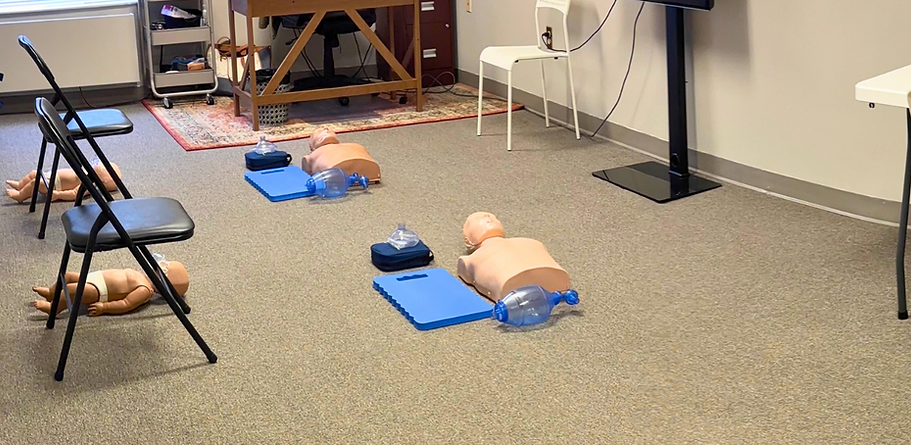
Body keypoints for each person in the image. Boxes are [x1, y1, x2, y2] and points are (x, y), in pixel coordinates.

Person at [457, 212, 571, 302]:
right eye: (478, 220)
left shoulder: (469, 261)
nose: (487, 217)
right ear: (468, 241)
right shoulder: (532, 242)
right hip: (556, 279)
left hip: (511, 289)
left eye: (493, 217)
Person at [31, 260, 189, 317]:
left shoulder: (145, 290)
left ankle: (54, 308)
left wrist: (104, 307)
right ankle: (51, 293)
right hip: (95, 277)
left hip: (100, 291)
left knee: (72, 291)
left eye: (163, 268)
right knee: (67, 277)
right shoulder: (141, 275)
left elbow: (126, 304)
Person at [5, 162, 122, 204]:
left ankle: (20, 196)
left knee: (35, 183)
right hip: (51, 176)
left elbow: (74, 193)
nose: (98, 164)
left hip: (54, 186)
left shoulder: (88, 185)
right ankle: (20, 185)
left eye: (101, 168)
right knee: (33, 173)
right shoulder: (88, 172)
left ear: (103, 181)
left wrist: (58, 195)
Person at [303, 127, 380, 183]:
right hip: (334, 172)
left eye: (329, 130)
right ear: (312, 146)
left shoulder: (355, 145)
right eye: (319, 131)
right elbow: (306, 171)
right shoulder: (313, 155)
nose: (326, 129)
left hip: (367, 167)